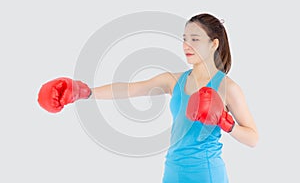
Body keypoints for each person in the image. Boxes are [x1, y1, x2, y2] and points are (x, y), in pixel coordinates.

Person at [37, 13, 259, 183]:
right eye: (184, 39)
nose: (186, 46)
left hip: (207, 173)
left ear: (214, 44)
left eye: (194, 39)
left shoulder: (228, 87)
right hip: (173, 170)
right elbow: (130, 89)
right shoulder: (174, 80)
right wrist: (86, 92)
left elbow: (253, 138)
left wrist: (225, 123)